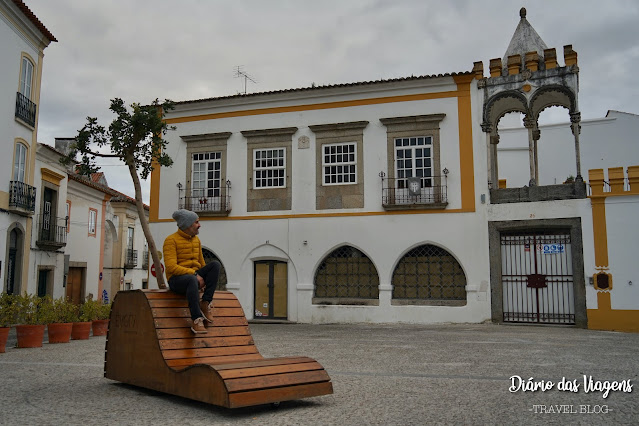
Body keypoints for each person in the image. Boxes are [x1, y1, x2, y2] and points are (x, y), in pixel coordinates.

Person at [163, 209, 220, 334]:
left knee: (215, 265)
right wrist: (194, 274)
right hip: (177, 280)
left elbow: (202, 263)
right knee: (191, 279)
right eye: (196, 222)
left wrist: (205, 279)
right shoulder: (170, 240)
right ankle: (196, 320)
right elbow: (171, 267)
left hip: (194, 277)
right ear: (187, 224)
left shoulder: (196, 240)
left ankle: (205, 303)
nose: (199, 225)